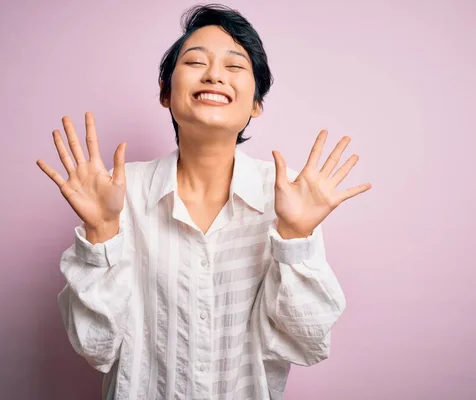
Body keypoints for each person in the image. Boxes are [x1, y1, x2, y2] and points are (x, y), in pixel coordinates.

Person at [36, 4, 371, 400]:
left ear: (256, 104)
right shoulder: (119, 193)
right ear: (166, 93)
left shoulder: (286, 198)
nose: (214, 74)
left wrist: (296, 236)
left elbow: (305, 340)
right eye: (195, 61)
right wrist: (101, 231)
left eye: (234, 67)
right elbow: (97, 348)